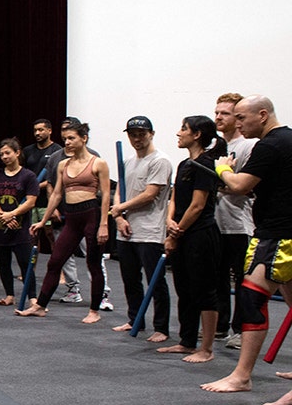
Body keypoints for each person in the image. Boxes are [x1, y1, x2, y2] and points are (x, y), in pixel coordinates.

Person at [200, 96, 292, 403]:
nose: (237, 124)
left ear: (262, 115)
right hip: (281, 232)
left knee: (251, 299)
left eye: (241, 118)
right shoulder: (288, 140)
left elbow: (239, 186)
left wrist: (221, 168)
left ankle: (241, 377)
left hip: (277, 236)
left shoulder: (269, 145)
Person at [21, 122, 111, 321]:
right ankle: (41, 306)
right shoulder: (63, 164)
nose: (67, 143)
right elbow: (56, 195)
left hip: (91, 216)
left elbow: (105, 196)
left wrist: (104, 223)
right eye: (65, 140)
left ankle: (94, 311)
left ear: (84, 138)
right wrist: (43, 221)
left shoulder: (98, 163)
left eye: (72, 138)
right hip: (71, 218)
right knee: (55, 262)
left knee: (93, 263)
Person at [155, 115, 223, 362]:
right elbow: (174, 198)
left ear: (196, 135)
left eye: (183, 129)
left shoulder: (207, 163)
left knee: (203, 289)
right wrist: (169, 221)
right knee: (184, 288)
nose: (178, 133)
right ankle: (186, 341)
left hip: (200, 235)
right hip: (181, 232)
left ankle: (206, 349)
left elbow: (197, 206)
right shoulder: (185, 164)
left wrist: (177, 232)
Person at [108, 116, 173, 341]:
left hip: (150, 230)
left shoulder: (160, 161)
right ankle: (134, 318)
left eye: (141, 134)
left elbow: (150, 194)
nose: (137, 139)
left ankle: (161, 328)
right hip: (126, 229)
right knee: (130, 278)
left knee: (155, 280)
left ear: (151, 134)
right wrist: (119, 217)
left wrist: (119, 209)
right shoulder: (127, 162)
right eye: (132, 134)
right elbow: (119, 191)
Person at [212, 93, 256, 348]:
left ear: (238, 119)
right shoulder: (217, 147)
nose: (218, 117)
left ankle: (239, 330)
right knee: (216, 278)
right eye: (217, 112)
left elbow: (245, 187)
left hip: (240, 223)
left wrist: (222, 179)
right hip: (216, 223)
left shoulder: (248, 146)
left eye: (225, 113)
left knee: (242, 280)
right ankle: (219, 327)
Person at [0, 138, 38, 306]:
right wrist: (2, 215)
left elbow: (31, 201)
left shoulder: (28, 176)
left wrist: (12, 214)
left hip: (20, 227)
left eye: (8, 153)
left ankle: (33, 298)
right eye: (2, 154)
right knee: (4, 262)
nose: (5, 157)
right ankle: (9, 295)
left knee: (24, 262)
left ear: (17, 153)